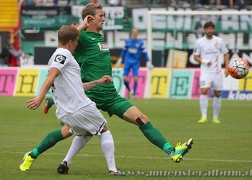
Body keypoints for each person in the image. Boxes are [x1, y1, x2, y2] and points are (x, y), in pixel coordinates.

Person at [56, 2, 193, 174]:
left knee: (141, 118)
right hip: (90, 95)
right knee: (70, 131)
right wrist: (83, 23)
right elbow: (64, 37)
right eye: (101, 16)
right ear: (91, 18)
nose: (104, 18)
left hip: (111, 95)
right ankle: (38, 154)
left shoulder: (99, 38)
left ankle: (172, 151)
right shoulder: (81, 38)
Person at [20, 19, 120, 176]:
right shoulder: (64, 53)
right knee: (104, 130)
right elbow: (51, 76)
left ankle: (65, 163)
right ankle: (113, 170)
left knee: (85, 133)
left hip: (66, 111)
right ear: (71, 43)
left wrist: (97, 82)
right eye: (76, 42)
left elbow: (76, 86)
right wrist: (40, 97)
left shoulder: (57, 55)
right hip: (79, 106)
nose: (76, 45)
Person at [193, 21, 230, 124]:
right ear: (205, 30)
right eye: (207, 29)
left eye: (211, 28)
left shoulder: (219, 41)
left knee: (217, 93)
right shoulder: (199, 42)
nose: (209, 30)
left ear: (213, 29)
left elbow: (226, 54)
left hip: (217, 72)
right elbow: (195, 57)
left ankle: (215, 117)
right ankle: (203, 116)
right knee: (204, 91)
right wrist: (204, 61)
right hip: (205, 71)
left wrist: (227, 68)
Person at [116, 28, 154, 98]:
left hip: (135, 62)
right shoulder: (127, 42)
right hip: (127, 61)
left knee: (136, 78)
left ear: (137, 33)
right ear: (131, 33)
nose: (135, 33)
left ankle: (134, 94)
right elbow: (123, 51)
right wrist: (120, 60)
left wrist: (148, 62)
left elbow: (145, 53)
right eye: (133, 32)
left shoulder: (140, 43)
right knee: (124, 78)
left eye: (136, 32)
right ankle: (130, 90)